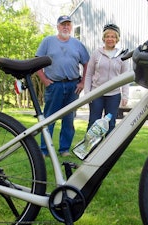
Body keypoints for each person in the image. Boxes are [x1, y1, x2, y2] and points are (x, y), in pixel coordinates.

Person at [35, 15, 90, 157]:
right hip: (55, 85)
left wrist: (83, 82)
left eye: (68, 24)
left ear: (71, 27)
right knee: (49, 119)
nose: (66, 27)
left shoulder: (77, 44)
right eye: (63, 24)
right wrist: (45, 80)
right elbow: (37, 62)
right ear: (58, 27)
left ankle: (64, 149)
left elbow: (86, 63)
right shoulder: (48, 41)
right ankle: (44, 150)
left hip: (73, 86)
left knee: (69, 119)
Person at [84, 24, 129, 134]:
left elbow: (125, 76)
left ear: (117, 39)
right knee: (94, 122)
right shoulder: (96, 53)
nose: (110, 39)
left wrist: (125, 95)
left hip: (113, 96)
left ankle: (108, 150)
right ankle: (90, 150)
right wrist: (87, 93)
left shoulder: (122, 55)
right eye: (107, 36)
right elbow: (89, 74)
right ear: (103, 38)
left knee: (110, 123)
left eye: (113, 37)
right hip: (97, 94)